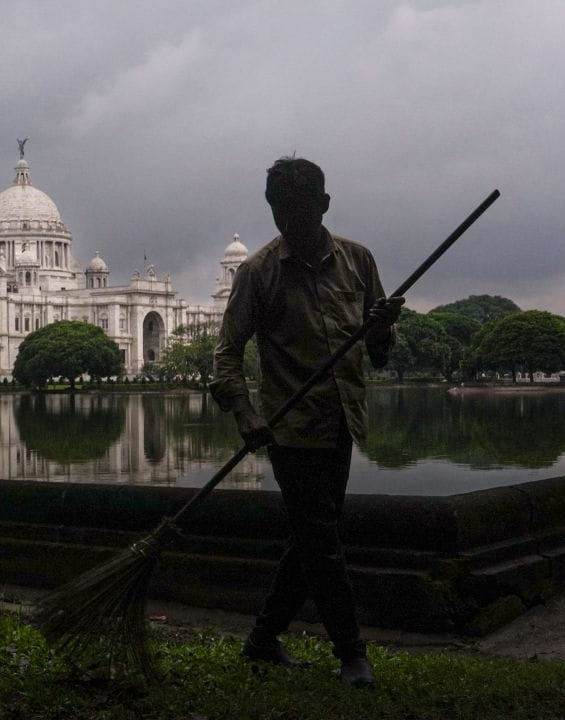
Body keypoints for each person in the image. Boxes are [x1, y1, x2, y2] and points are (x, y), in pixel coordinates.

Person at [209, 156, 402, 687]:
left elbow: (379, 352)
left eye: (299, 212)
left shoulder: (359, 261)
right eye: (279, 213)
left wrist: (381, 328)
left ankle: (262, 640)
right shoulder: (258, 272)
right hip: (289, 426)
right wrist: (245, 413)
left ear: (323, 205)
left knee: (313, 537)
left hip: (342, 417)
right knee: (320, 537)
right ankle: (351, 652)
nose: (288, 223)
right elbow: (226, 357)